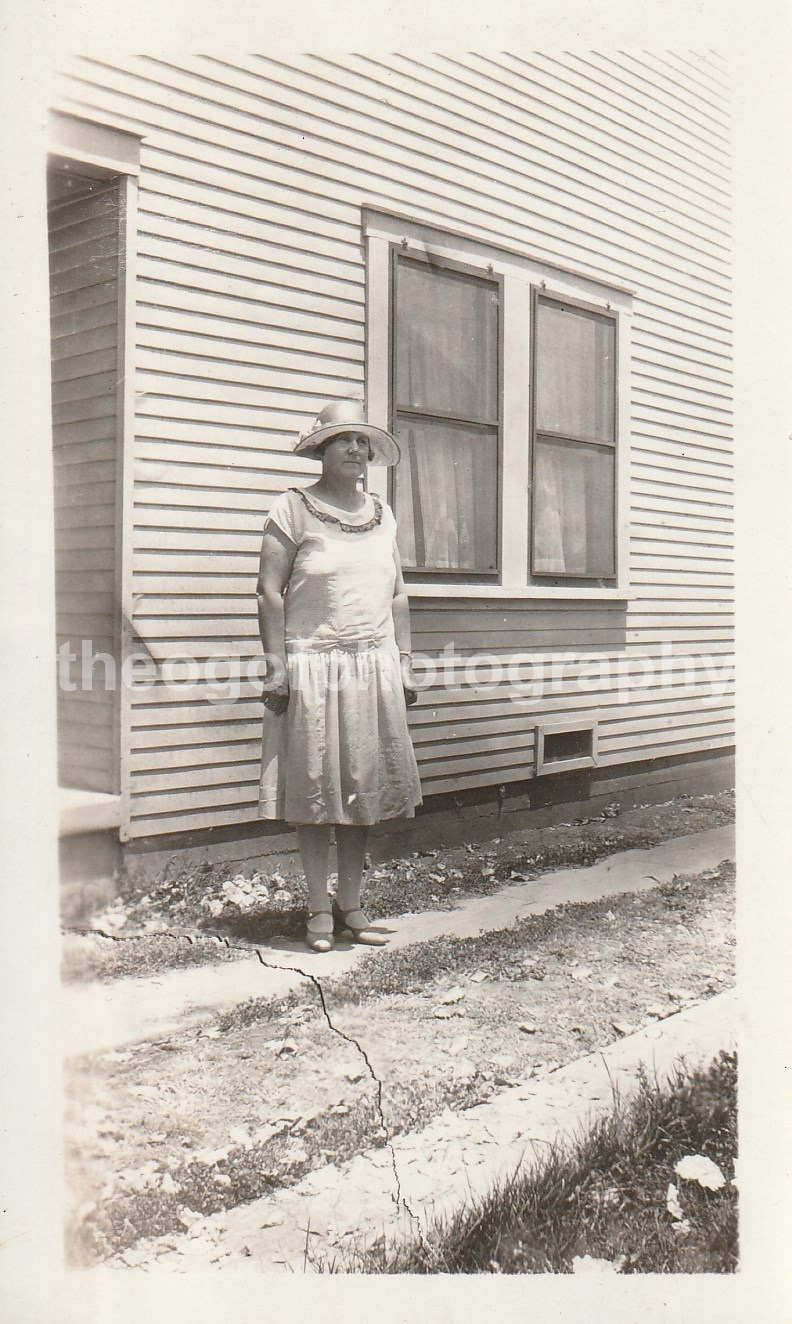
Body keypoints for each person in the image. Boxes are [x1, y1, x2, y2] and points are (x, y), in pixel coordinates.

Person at [256, 399, 422, 952]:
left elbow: (396, 594)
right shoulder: (293, 508)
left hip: (372, 664)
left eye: (364, 443)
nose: (357, 450)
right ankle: (317, 912)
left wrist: (404, 660)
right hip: (314, 666)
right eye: (345, 440)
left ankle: (352, 905)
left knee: (363, 792)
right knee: (316, 793)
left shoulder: (383, 513)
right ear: (321, 449)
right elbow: (269, 592)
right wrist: (276, 667)